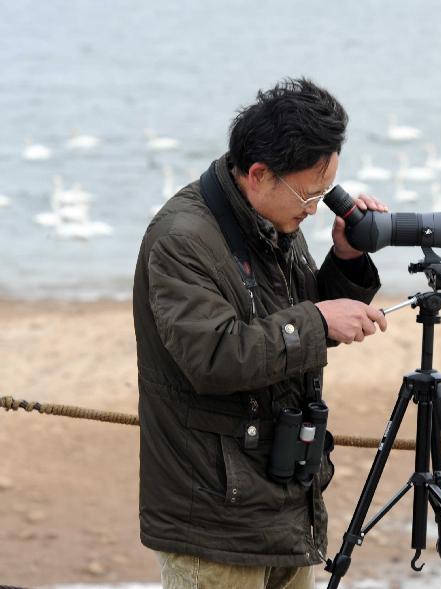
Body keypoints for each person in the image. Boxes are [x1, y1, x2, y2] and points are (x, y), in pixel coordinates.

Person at [132, 77, 388, 589]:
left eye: (324, 194)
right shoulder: (182, 240)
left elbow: (294, 325)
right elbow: (216, 357)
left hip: (283, 503)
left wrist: (347, 259)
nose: (314, 209)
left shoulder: (273, 219)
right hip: (213, 521)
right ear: (258, 174)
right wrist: (318, 320)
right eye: (308, 194)